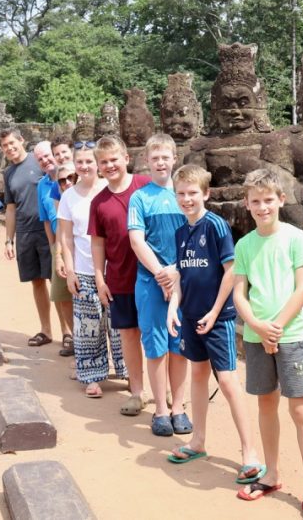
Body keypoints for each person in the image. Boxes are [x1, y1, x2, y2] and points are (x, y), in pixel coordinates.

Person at [232, 168, 303, 520]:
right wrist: (256, 325)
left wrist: (277, 326)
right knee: (266, 404)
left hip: (291, 335)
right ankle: (271, 473)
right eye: (255, 201)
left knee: (300, 410)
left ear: (281, 201)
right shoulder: (244, 244)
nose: (262, 207)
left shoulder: (295, 238)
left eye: (268, 200)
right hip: (257, 336)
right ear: (247, 204)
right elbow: (240, 292)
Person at [165, 163, 262, 483]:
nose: (186, 199)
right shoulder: (180, 232)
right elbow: (181, 275)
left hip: (217, 318)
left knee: (228, 381)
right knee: (197, 374)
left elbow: (230, 271)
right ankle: (198, 440)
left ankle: (249, 452)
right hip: (191, 315)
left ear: (205, 194)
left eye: (193, 193)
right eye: (181, 194)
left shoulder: (216, 226)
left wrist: (216, 310)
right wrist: (173, 308)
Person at [127, 133, 191, 437]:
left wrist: (176, 272)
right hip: (150, 281)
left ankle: (178, 406)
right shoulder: (140, 197)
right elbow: (136, 240)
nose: (161, 163)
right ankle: (161, 409)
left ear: (174, 158)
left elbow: (194, 234)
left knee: (179, 345)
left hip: (184, 279)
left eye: (166, 157)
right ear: (146, 161)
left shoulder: (184, 196)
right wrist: (161, 273)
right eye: (155, 158)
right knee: (155, 347)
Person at [88, 135, 151, 416]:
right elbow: (98, 242)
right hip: (119, 277)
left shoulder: (146, 187)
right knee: (128, 334)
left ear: (126, 158)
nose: (110, 166)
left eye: (114, 160)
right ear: (98, 167)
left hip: (152, 276)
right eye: (104, 162)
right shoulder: (99, 202)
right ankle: (136, 390)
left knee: (160, 333)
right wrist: (100, 279)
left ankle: (168, 391)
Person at [59, 142, 127, 397]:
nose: (85, 166)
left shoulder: (108, 191)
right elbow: (66, 238)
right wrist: (70, 270)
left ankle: (127, 370)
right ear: (74, 165)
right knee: (89, 326)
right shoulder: (68, 197)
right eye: (80, 162)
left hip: (115, 268)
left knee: (120, 325)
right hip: (84, 269)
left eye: (90, 162)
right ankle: (91, 374)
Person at [0, 128, 53, 347]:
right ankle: (46, 330)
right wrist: (8, 240)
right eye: (5, 146)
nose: (10, 148)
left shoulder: (38, 161)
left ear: (22, 141)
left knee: (56, 280)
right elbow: (10, 208)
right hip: (25, 232)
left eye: (13, 143)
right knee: (37, 281)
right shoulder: (8, 174)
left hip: (47, 229)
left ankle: (68, 333)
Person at [34, 140, 73, 354]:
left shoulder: (78, 178)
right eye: (40, 159)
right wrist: (53, 247)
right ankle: (72, 336)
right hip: (59, 243)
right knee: (61, 293)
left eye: (49, 155)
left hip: (81, 244)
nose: (47, 160)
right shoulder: (44, 185)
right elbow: (47, 220)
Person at [44, 162, 77, 357]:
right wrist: (57, 255)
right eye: (62, 181)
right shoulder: (63, 200)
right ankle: (77, 341)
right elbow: (59, 229)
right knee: (62, 296)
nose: (66, 183)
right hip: (64, 249)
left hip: (85, 254)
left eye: (70, 178)